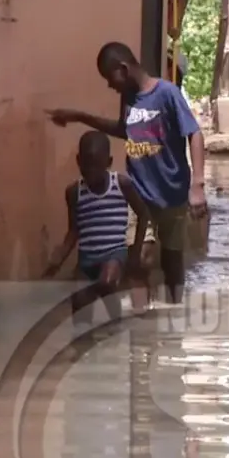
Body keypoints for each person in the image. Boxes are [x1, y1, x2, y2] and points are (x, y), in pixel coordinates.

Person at [46, 42, 208, 307]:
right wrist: (79, 117)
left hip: (173, 192)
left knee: (172, 260)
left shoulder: (167, 93)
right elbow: (124, 130)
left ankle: (174, 313)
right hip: (140, 193)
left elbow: (194, 132)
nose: (110, 85)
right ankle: (143, 320)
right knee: (140, 258)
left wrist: (197, 184)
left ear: (123, 68)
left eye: (110, 78)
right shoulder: (128, 98)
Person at [43, 131, 151, 323]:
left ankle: (116, 322)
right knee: (79, 304)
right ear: (78, 161)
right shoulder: (74, 193)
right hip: (87, 259)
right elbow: (74, 230)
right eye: (86, 165)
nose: (91, 171)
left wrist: (134, 254)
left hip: (114, 254)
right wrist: (59, 258)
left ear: (108, 162)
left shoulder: (121, 184)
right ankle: (93, 334)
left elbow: (143, 214)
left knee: (107, 282)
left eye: (97, 165)